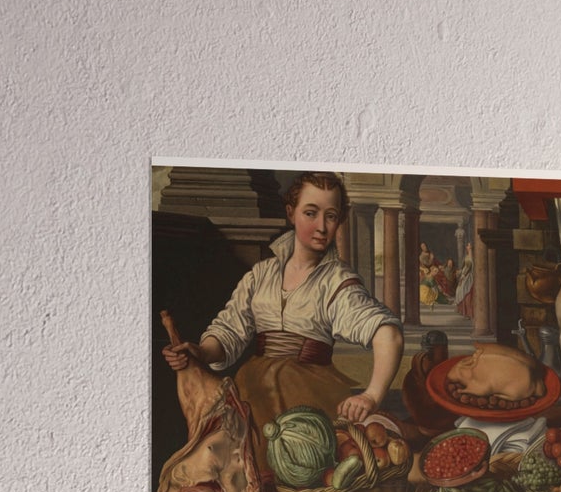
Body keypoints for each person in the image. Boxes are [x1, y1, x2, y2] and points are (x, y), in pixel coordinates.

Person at [163, 172, 404, 430]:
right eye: (310, 213)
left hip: (308, 396)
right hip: (251, 391)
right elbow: (228, 331)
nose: (322, 227)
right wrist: (200, 352)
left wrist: (371, 395)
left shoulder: (337, 281)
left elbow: (389, 336)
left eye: (331, 216)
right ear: (291, 213)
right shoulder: (261, 274)